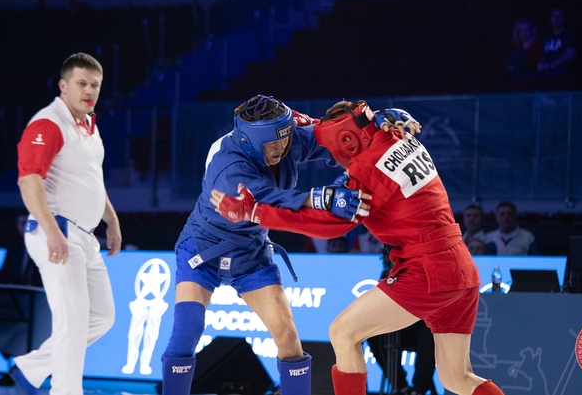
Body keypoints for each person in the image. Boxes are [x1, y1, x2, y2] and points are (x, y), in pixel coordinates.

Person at [211, 100, 505, 395]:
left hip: (428, 270)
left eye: (333, 149)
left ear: (347, 142)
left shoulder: (368, 166)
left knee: (343, 332)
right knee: (457, 378)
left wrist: (256, 213)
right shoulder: (395, 133)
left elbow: (331, 226)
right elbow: (354, 121)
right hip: (459, 266)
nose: (333, 157)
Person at [160, 94, 367, 395]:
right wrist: (325, 198)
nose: (281, 148)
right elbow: (273, 202)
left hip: (251, 253)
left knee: (287, 337)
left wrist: (375, 124)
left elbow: (333, 135)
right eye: (272, 143)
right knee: (186, 330)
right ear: (248, 141)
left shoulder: (286, 140)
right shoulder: (228, 167)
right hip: (204, 249)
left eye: (285, 138)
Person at [11, 52, 123, 395]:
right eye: (81, 83)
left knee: (102, 316)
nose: (89, 91)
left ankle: (30, 368)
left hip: (85, 235)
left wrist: (111, 220)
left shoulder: (88, 123)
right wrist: (51, 231)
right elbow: (28, 180)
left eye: (95, 85)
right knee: (71, 323)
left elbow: (91, 179)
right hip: (58, 229)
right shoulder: (49, 123)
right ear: (63, 85)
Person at [366, 244, 437, 395]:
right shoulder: (387, 274)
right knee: (373, 335)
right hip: (398, 327)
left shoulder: (422, 268)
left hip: (422, 326)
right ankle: (401, 386)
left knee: (431, 331)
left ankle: (419, 389)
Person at [0, 212, 43, 387]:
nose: (25, 226)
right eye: (21, 223)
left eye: (28, 222)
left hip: (42, 304)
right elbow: (2, 277)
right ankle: (17, 367)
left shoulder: (47, 247)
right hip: (18, 302)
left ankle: (22, 369)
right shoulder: (14, 250)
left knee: (34, 328)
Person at [537, 8, 577, 76]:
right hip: (546, 70)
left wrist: (552, 65)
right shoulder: (548, 36)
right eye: (554, 16)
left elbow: (570, 55)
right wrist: (540, 64)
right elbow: (543, 54)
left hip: (562, 70)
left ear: (564, 19)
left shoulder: (569, 35)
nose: (556, 19)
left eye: (559, 16)